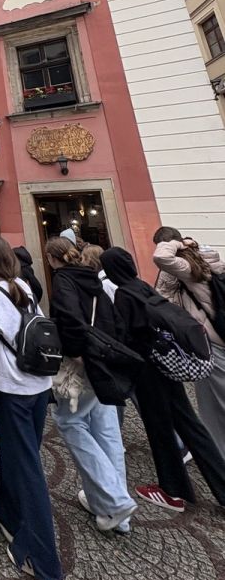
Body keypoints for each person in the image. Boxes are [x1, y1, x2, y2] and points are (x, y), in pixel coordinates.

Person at [0, 237, 63, 580]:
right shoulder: (24, 286)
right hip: (40, 386)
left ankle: (43, 559)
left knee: (29, 468)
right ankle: (5, 510)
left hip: (14, 389)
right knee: (16, 451)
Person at [100, 246, 225, 512]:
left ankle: (173, 490)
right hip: (168, 364)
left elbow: (127, 336)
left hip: (148, 370)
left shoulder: (124, 294)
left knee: (159, 429)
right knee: (191, 425)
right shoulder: (143, 286)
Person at [46, 237, 136, 534]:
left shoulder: (63, 280)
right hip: (103, 362)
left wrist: (76, 352)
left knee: (69, 422)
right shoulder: (93, 277)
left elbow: (70, 320)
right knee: (107, 431)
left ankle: (115, 498)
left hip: (83, 363)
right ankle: (113, 510)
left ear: (52, 258)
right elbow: (116, 321)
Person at [153, 227, 225, 447]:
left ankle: (218, 450)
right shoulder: (209, 258)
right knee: (210, 400)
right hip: (218, 333)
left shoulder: (187, 266)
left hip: (211, 340)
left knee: (216, 401)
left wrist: (177, 244)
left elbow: (161, 257)